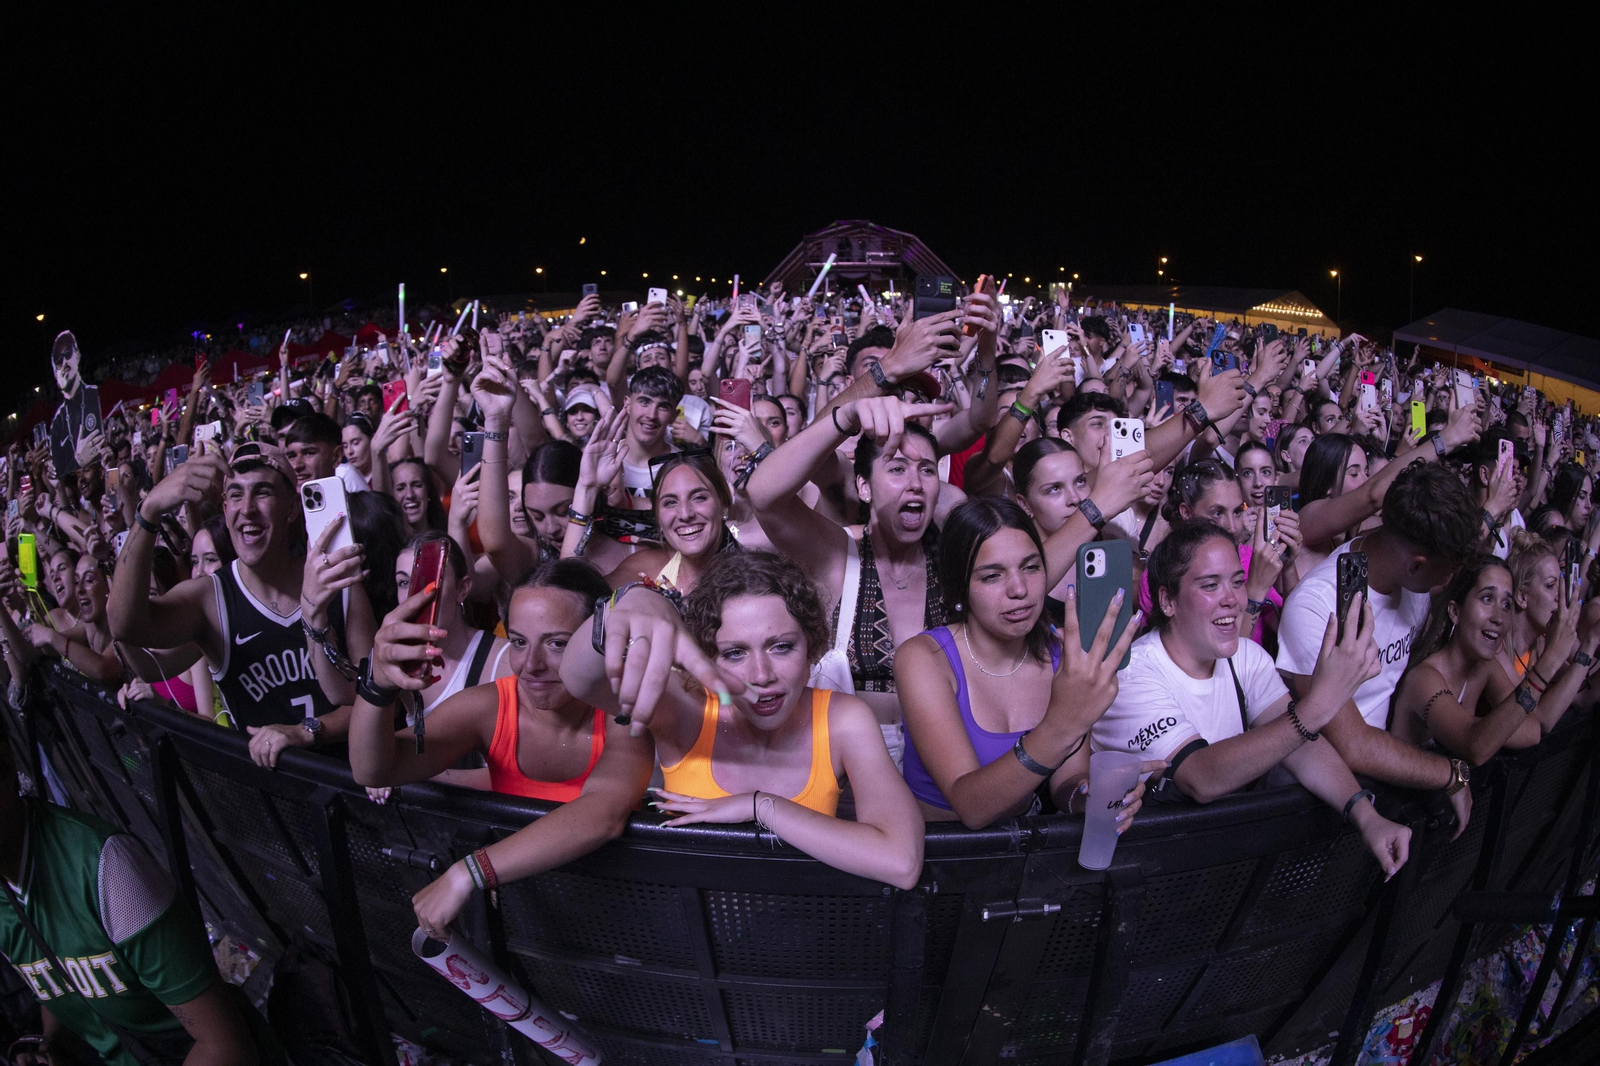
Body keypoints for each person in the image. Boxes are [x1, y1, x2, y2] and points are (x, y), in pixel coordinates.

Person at [560, 550, 925, 891]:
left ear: (811, 645)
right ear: (708, 657)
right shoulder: (689, 712)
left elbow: (901, 862)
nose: (761, 675)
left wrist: (759, 805)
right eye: (735, 653)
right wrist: (629, 600)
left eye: (781, 647)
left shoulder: (842, 720)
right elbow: (579, 678)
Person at [349, 559, 655, 940]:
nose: (531, 665)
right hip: (527, 931)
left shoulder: (623, 708)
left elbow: (602, 814)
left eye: (557, 643)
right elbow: (373, 769)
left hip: (621, 929)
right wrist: (377, 683)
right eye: (519, 642)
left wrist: (467, 873)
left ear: (599, 639)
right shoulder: (491, 707)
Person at [1091, 521, 1412, 878]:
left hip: (1218, 864)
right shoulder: (1133, 674)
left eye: (1238, 581)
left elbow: (1301, 746)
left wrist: (1367, 817)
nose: (1232, 599)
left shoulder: (1246, 657)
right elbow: (1200, 777)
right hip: (1143, 872)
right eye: (1210, 585)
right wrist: (1321, 704)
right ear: (1167, 600)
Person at [0, 742, 281, 1065]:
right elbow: (60, 979)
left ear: (7, 770)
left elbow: (226, 1047)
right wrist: (48, 1044)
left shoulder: (105, 867)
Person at [107, 443, 373, 767]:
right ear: (224, 508)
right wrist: (149, 511)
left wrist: (306, 732)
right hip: (265, 793)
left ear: (292, 508)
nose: (247, 508)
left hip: (349, 781)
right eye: (235, 494)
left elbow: (376, 699)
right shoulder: (210, 597)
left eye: (262, 492)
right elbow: (124, 625)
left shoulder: (337, 581)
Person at [897, 499, 1157, 828]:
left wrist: (1089, 795)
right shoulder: (924, 658)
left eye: (1031, 567)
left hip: (1023, 844)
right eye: (992, 576)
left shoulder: (1061, 656)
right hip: (942, 848)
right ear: (960, 585)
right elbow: (970, 806)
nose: (1019, 589)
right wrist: (1062, 724)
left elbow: (1067, 781)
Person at [1276, 463, 1482, 838]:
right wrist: (1450, 773)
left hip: (1377, 793)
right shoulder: (1316, 607)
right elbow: (1352, 744)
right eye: (1449, 570)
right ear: (1417, 565)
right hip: (1310, 811)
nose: (1449, 579)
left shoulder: (1412, 585)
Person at [1391, 556, 1587, 764]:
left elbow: (1532, 730)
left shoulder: (1485, 667)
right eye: (1487, 599)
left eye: (1506, 605)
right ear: (1455, 611)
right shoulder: (1423, 678)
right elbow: (1475, 747)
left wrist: (1478, 725)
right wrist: (1551, 660)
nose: (1498, 617)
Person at [393, 456, 446, 536]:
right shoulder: (386, 541)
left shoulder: (447, 536)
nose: (410, 495)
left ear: (428, 491)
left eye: (417, 485)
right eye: (400, 488)